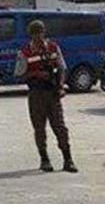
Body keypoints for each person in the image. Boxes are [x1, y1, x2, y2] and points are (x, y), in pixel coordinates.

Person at [14, 19, 77, 173]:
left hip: (53, 93)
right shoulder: (25, 52)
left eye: (41, 33)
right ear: (31, 35)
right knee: (40, 129)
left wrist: (61, 86)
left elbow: (62, 68)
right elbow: (18, 74)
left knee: (60, 128)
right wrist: (35, 73)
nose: (39, 37)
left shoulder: (53, 48)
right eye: (35, 34)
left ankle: (68, 159)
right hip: (36, 94)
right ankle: (44, 159)